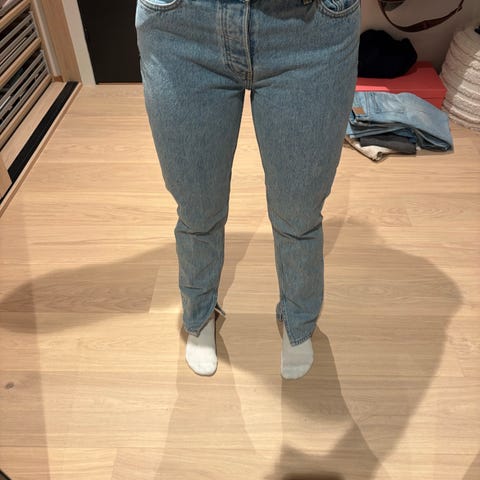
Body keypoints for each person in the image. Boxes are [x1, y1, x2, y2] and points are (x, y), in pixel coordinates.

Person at [135, 0, 360, 379]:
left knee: (299, 211)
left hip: (310, 26)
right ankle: (199, 312)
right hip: (181, 20)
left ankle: (299, 319)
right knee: (196, 207)